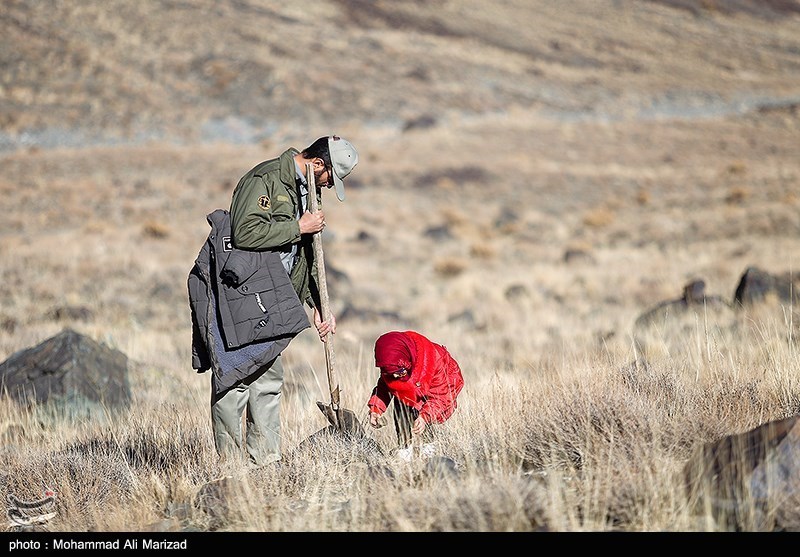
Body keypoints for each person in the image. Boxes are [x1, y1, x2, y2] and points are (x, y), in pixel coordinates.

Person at [189, 135, 359, 467]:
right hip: (243, 296)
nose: (327, 186)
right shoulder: (263, 179)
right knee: (234, 381)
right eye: (329, 178)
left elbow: (306, 256)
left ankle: (265, 465)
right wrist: (298, 226)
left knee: (268, 380)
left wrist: (318, 304)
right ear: (318, 164)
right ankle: (230, 466)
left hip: (276, 301)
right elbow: (245, 233)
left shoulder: (310, 192)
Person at [367, 330, 464, 460]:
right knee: (400, 399)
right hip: (415, 386)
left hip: (441, 387)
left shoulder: (435, 360)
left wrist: (425, 417)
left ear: (408, 359)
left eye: (400, 371)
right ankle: (405, 448)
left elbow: (440, 397)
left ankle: (429, 447)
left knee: (425, 408)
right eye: (391, 373)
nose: (395, 376)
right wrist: (376, 410)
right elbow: (384, 387)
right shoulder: (393, 365)